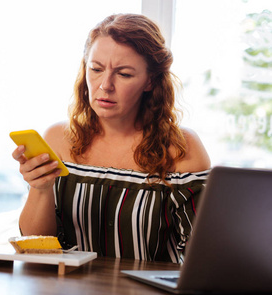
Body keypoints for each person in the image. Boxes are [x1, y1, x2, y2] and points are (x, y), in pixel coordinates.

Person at [12, 14, 211, 262]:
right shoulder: (57, 139)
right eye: (95, 69)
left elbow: (204, 254)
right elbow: (36, 248)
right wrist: (40, 188)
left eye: (124, 74)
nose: (105, 85)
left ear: (150, 81)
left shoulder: (181, 148)